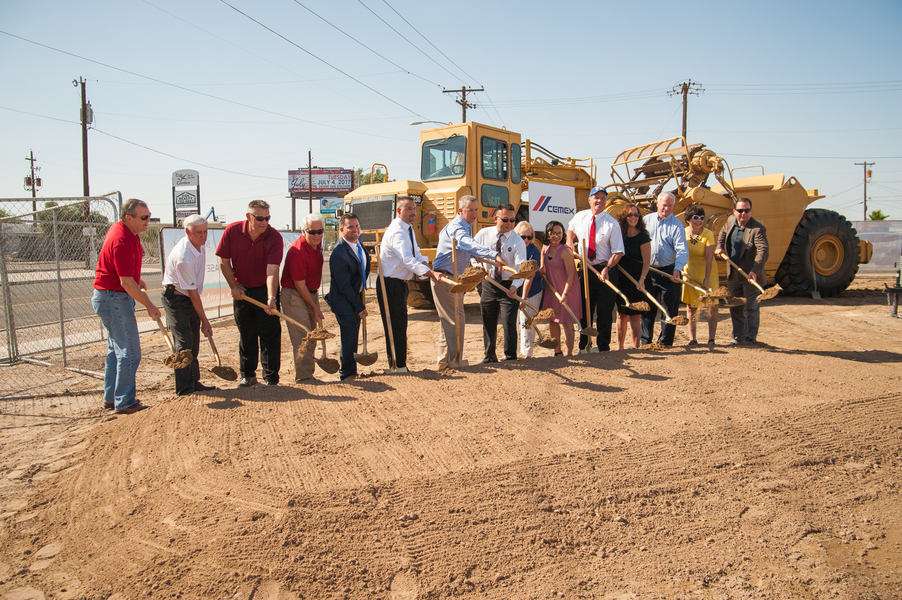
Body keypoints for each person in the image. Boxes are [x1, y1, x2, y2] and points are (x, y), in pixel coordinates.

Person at [92, 198, 161, 414]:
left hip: (111, 295)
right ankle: (125, 401)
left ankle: (112, 397)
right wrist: (149, 305)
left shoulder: (126, 231)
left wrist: (134, 277)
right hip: (114, 298)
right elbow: (125, 282)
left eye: (149, 216)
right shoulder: (121, 239)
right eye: (144, 217)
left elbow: (123, 273)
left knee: (115, 350)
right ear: (128, 218)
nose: (148, 220)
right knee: (130, 352)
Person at [216, 200, 283, 387]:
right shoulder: (232, 231)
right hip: (242, 291)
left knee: (269, 335)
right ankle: (248, 375)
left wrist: (271, 298)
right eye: (259, 218)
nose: (264, 222)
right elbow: (224, 261)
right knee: (247, 334)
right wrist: (234, 287)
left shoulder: (274, 237)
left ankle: (271, 377)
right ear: (248, 217)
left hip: (265, 289)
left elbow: (272, 270)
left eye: (267, 218)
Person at [431, 195, 503, 370]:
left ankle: (445, 363)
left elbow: (463, 249)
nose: (474, 213)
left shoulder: (466, 226)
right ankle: (454, 362)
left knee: (449, 323)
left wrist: (475, 255)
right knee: (456, 321)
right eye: (470, 210)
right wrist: (493, 255)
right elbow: (465, 243)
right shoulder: (458, 227)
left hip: (454, 279)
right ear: (460, 211)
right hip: (446, 278)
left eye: (476, 209)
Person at [377, 196, 446, 370]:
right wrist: (430, 273)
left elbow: (415, 253)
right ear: (399, 211)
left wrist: (425, 264)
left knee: (400, 325)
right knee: (395, 327)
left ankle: (400, 365)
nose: (413, 212)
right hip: (389, 285)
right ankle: (397, 366)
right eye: (408, 209)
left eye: (414, 208)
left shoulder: (408, 229)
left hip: (399, 284)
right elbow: (407, 260)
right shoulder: (397, 232)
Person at [161, 214, 216, 396]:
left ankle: (194, 382)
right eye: (198, 232)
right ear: (187, 232)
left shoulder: (199, 246)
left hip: (188, 296)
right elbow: (192, 295)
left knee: (193, 341)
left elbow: (193, 293)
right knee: (184, 343)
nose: (203, 236)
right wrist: (205, 321)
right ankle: (184, 389)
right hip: (177, 299)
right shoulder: (184, 256)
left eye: (205, 231)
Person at [566, 186, 624, 352]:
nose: (599, 201)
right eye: (596, 197)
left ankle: (603, 346)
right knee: (584, 309)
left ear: (606, 201)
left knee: (605, 311)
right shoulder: (580, 217)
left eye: (603, 198)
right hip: (586, 269)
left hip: (606, 270)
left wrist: (607, 267)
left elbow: (618, 252)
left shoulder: (612, 224)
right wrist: (570, 241)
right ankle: (584, 346)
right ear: (590, 199)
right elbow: (570, 229)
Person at [474, 203, 527, 363]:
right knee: (488, 321)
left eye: (512, 220)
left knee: (509, 323)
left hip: (508, 285)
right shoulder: (483, 234)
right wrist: (479, 269)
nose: (510, 224)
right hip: (489, 283)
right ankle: (489, 357)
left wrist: (514, 286)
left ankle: (510, 357)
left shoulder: (517, 242)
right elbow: (472, 252)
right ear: (496, 218)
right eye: (505, 220)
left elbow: (521, 269)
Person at [716, 198, 769, 345]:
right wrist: (720, 246)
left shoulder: (757, 229)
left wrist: (755, 270)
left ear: (751, 211)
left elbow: (763, 251)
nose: (743, 214)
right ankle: (738, 337)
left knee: (751, 307)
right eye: (740, 211)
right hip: (733, 274)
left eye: (746, 210)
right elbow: (722, 233)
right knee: (736, 306)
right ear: (734, 211)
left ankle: (751, 338)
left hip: (750, 275)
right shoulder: (730, 221)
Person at [325, 213, 370, 381]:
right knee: (349, 335)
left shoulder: (358, 244)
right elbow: (343, 286)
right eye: (350, 227)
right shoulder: (339, 253)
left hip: (354, 295)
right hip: (343, 300)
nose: (355, 229)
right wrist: (358, 306)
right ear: (342, 229)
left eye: (357, 225)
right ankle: (347, 374)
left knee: (352, 334)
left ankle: (350, 370)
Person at [640, 191, 688, 347]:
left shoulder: (677, 225)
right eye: (664, 205)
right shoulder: (646, 221)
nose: (666, 208)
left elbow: (682, 250)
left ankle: (665, 342)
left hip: (669, 271)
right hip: (649, 270)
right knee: (648, 307)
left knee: (669, 308)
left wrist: (678, 269)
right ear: (657, 203)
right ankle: (646, 341)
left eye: (670, 206)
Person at [281, 214, 325, 383]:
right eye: (312, 232)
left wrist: (315, 302)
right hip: (295, 294)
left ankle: (309, 373)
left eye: (320, 231)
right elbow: (299, 284)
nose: (316, 235)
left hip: (310, 292)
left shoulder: (317, 244)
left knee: (313, 333)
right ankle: (304, 377)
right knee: (304, 335)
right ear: (303, 231)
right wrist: (315, 307)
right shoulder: (297, 251)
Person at [681, 203, 720, 345]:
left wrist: (706, 279)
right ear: (688, 219)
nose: (699, 221)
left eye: (702, 218)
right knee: (691, 307)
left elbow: (710, 258)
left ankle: (711, 339)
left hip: (707, 273)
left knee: (712, 305)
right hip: (690, 273)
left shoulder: (708, 234)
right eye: (695, 217)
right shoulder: (683, 232)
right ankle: (693, 338)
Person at [542, 221, 582, 356]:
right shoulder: (545, 247)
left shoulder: (565, 251)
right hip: (552, 290)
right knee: (553, 321)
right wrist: (542, 269)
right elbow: (543, 262)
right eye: (553, 233)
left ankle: (569, 353)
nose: (556, 236)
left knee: (567, 323)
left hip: (567, 291)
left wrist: (565, 293)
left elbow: (571, 276)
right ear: (548, 233)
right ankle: (557, 352)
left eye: (559, 233)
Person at [615, 206, 651, 350]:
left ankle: (636, 348)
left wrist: (642, 278)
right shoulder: (619, 235)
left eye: (636, 215)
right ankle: (620, 348)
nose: (633, 217)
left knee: (635, 315)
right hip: (621, 278)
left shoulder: (643, 236)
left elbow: (647, 260)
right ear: (624, 216)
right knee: (621, 314)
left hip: (637, 279)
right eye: (630, 214)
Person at [515, 221, 543, 358]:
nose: (526, 240)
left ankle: (527, 354)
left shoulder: (534, 251)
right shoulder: (514, 247)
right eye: (522, 237)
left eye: (529, 237)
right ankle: (514, 353)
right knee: (514, 322)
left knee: (527, 323)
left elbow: (529, 277)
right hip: (515, 290)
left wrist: (524, 299)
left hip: (531, 291)